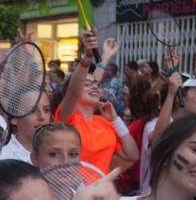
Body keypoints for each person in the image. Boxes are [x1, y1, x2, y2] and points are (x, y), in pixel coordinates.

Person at [55, 36, 140, 173]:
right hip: (73, 191)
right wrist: (87, 58)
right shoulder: (68, 119)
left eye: (98, 85)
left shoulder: (105, 123)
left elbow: (133, 155)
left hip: (101, 192)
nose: (94, 87)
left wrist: (115, 120)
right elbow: (74, 92)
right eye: (87, 84)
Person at [139, 73, 196, 196]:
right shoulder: (153, 125)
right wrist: (171, 94)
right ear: (179, 98)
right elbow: (158, 139)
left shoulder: (193, 128)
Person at [0, 90, 50, 170]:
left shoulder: (60, 155)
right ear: (14, 118)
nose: (42, 117)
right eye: (32, 111)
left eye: (46, 110)